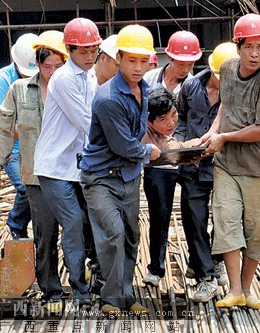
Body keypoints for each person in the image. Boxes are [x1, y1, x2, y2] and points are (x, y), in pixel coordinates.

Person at [204, 13, 260, 310]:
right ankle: (235, 289)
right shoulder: (227, 69)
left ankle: (247, 288)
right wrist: (213, 131)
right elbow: (226, 102)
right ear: (238, 46)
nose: (254, 54)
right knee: (226, 222)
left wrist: (224, 138)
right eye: (248, 46)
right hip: (227, 165)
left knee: (258, 229)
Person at [79, 24, 160, 315]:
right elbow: (125, 146)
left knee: (129, 236)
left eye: (143, 60)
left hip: (128, 176)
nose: (138, 67)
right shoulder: (108, 98)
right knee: (112, 234)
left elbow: (137, 135)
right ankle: (110, 299)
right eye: (131, 60)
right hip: (101, 178)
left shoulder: (145, 90)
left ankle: (126, 295)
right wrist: (150, 151)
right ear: (119, 58)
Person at [0, 30, 69, 312]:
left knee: (77, 232)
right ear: (37, 64)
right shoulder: (19, 90)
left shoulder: (75, 87)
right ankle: (52, 291)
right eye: (47, 67)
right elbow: (2, 125)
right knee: (45, 234)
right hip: (36, 175)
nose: (52, 72)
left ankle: (85, 286)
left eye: (58, 67)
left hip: (70, 174)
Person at [33, 17, 103, 307]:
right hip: (54, 167)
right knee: (72, 223)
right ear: (69, 50)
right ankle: (79, 289)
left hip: (78, 166)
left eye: (92, 50)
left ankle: (95, 278)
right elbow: (88, 122)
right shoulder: (62, 80)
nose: (89, 57)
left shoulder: (90, 77)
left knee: (90, 221)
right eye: (82, 51)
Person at [174, 42, 239, 302]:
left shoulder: (239, 92)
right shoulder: (191, 86)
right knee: (194, 219)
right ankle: (206, 277)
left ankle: (211, 258)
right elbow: (179, 118)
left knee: (226, 219)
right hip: (193, 165)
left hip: (226, 166)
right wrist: (180, 143)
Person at [140, 30, 202, 287]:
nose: (186, 67)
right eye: (181, 62)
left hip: (185, 155)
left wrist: (181, 144)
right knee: (160, 213)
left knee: (195, 213)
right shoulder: (149, 80)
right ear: (169, 57)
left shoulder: (195, 84)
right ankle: (156, 267)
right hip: (157, 160)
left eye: (190, 63)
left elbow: (191, 120)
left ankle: (198, 266)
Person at [0, 33, 39, 239]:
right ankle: (16, 225)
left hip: (40, 147)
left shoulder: (47, 74)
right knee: (26, 188)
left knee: (41, 192)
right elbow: (4, 125)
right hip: (15, 149)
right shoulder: (2, 80)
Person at [143, 30, 202, 95]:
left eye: (191, 64)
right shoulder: (148, 79)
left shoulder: (194, 88)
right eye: (181, 64)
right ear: (169, 57)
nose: (185, 69)